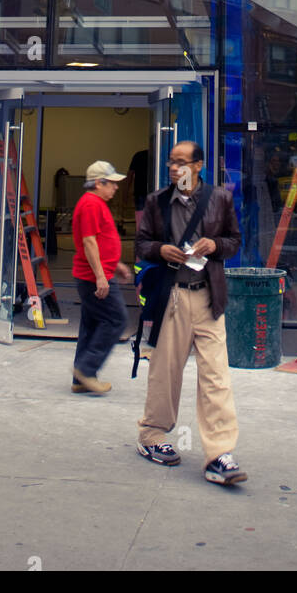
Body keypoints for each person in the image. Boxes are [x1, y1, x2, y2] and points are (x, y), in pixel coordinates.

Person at [135, 140, 246, 485]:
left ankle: (218, 454)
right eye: (171, 162)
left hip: (209, 297)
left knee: (216, 376)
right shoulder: (156, 201)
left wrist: (215, 245)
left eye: (182, 162)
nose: (174, 168)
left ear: (198, 165)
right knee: (165, 372)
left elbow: (234, 240)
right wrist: (160, 249)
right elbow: (140, 244)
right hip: (172, 297)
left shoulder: (220, 199)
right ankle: (152, 436)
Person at [71, 160, 132, 395]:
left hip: (97, 274)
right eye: (112, 184)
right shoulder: (91, 205)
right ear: (99, 183)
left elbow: (97, 241)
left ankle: (80, 378)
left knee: (93, 323)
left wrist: (114, 265)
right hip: (93, 277)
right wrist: (101, 277)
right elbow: (88, 241)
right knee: (116, 320)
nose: (116, 188)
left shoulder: (95, 203)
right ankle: (86, 370)